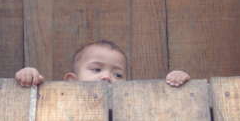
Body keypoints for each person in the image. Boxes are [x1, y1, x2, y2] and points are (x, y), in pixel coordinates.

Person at [15, 40, 190, 87]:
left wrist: (176, 81)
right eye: (96, 69)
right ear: (72, 80)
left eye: (118, 75)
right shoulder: (61, 104)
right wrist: (29, 75)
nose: (107, 76)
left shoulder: (128, 112)